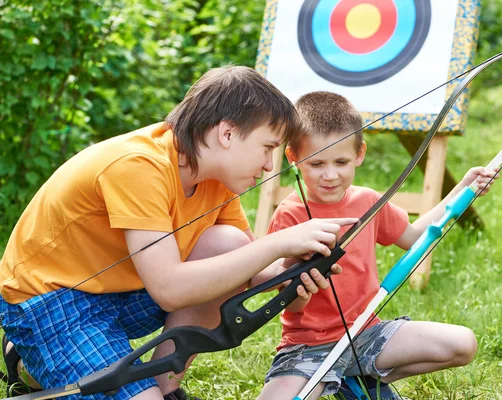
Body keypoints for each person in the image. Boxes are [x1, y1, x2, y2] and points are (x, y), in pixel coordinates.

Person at [0, 67, 357, 400]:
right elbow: (169, 289)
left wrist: (291, 270)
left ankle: (163, 387)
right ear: (227, 133)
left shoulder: (216, 179)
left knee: (228, 244)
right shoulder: (139, 165)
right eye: (267, 148)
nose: (268, 165)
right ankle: (33, 357)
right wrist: (279, 242)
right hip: (48, 300)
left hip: (118, 290)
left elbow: (248, 268)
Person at [258, 91, 500, 400]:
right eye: (316, 163)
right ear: (293, 157)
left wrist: (463, 189)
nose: (330, 175)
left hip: (367, 333)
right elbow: (288, 303)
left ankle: (357, 377)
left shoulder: (368, 201)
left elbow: (412, 237)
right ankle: (339, 377)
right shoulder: (290, 214)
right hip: (308, 346)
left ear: (360, 154)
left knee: (463, 344)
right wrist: (300, 287)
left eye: (341, 161)